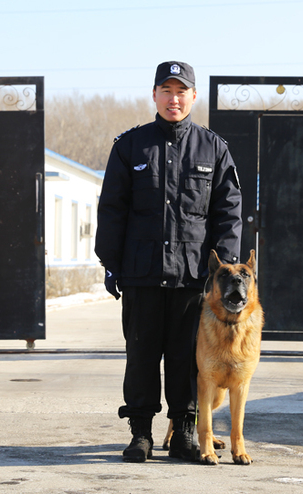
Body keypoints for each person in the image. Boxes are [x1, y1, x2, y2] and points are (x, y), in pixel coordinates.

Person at [95, 61, 243, 463]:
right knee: (141, 355)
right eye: (166, 90)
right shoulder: (130, 147)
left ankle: (185, 433)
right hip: (141, 274)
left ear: (193, 97)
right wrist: (111, 263)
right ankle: (140, 432)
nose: (174, 99)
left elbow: (228, 209)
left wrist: (225, 269)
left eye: (182, 92)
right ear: (154, 95)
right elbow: (112, 209)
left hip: (193, 278)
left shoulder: (213, 148)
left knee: (185, 359)